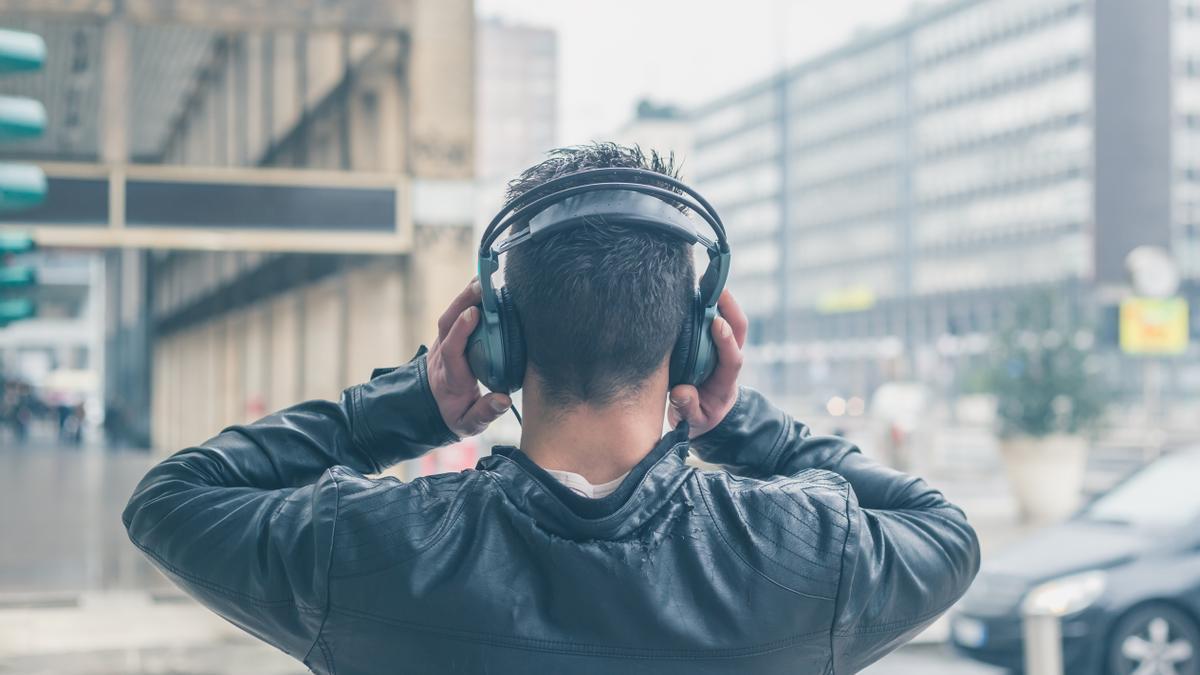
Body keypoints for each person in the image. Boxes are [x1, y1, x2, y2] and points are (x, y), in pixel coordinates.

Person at [124, 143, 979, 674]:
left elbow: (170, 499)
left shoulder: (367, 548)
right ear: (692, 341)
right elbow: (947, 531)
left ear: (499, 338)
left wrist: (411, 406)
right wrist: (739, 420)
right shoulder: (809, 556)